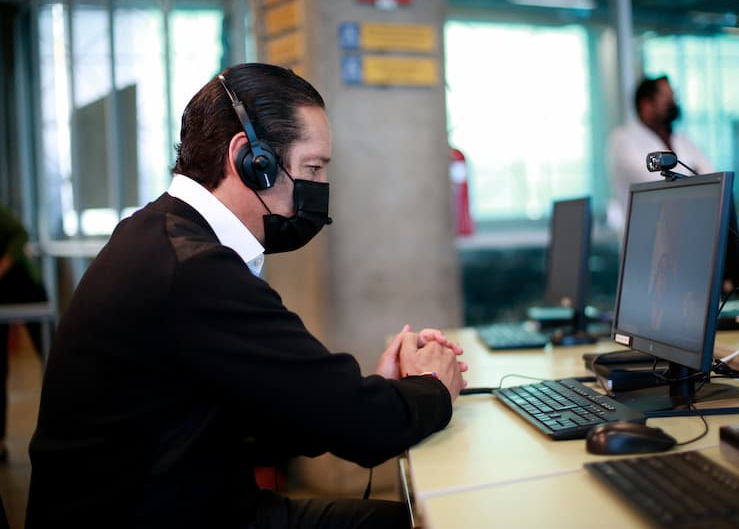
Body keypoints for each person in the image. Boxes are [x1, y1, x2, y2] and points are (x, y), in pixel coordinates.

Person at [26, 63, 467, 528]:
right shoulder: (196, 269)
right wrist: (433, 385)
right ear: (251, 160)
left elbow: (289, 411)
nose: (319, 189)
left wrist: (372, 393)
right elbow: (361, 433)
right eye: (312, 168)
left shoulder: (157, 233)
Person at [606, 75, 713, 231]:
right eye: (667, 99)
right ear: (646, 105)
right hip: (645, 237)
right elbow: (658, 186)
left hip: (688, 232)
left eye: (673, 98)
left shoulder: (683, 140)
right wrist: (692, 176)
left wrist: (689, 180)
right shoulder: (623, 140)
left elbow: (712, 179)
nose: (674, 104)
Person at [0, 204, 48, 461]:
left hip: (24, 286)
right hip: (2, 297)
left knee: (51, 356)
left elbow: (21, 233)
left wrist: (3, 265)